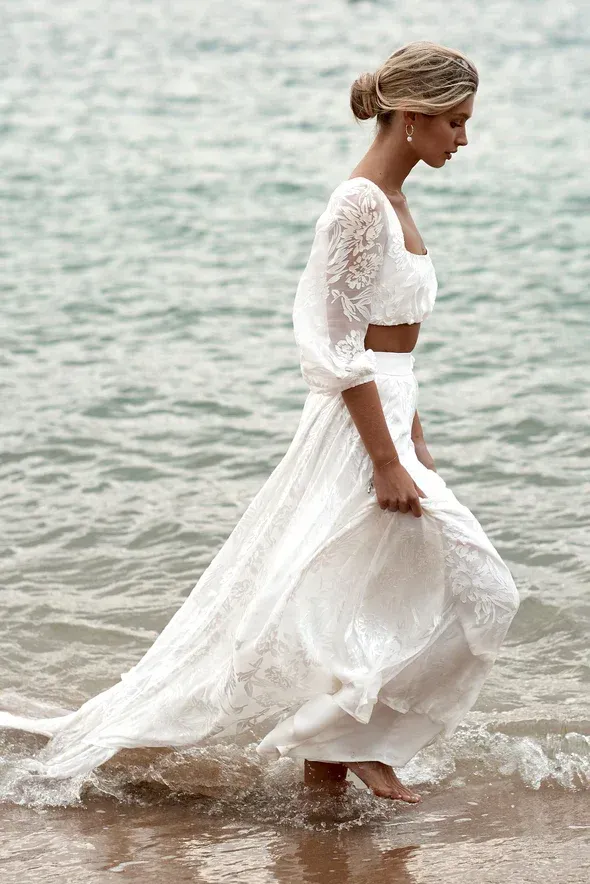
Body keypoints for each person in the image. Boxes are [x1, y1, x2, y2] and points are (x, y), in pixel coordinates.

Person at [0, 41, 520, 805]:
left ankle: (334, 769)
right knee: (479, 587)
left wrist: (414, 437)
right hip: (354, 431)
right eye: (454, 123)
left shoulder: (395, 201)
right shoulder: (358, 204)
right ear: (411, 117)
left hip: (390, 416)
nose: (463, 141)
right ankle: (350, 746)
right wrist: (382, 457)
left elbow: (391, 342)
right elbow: (339, 344)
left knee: (369, 592)